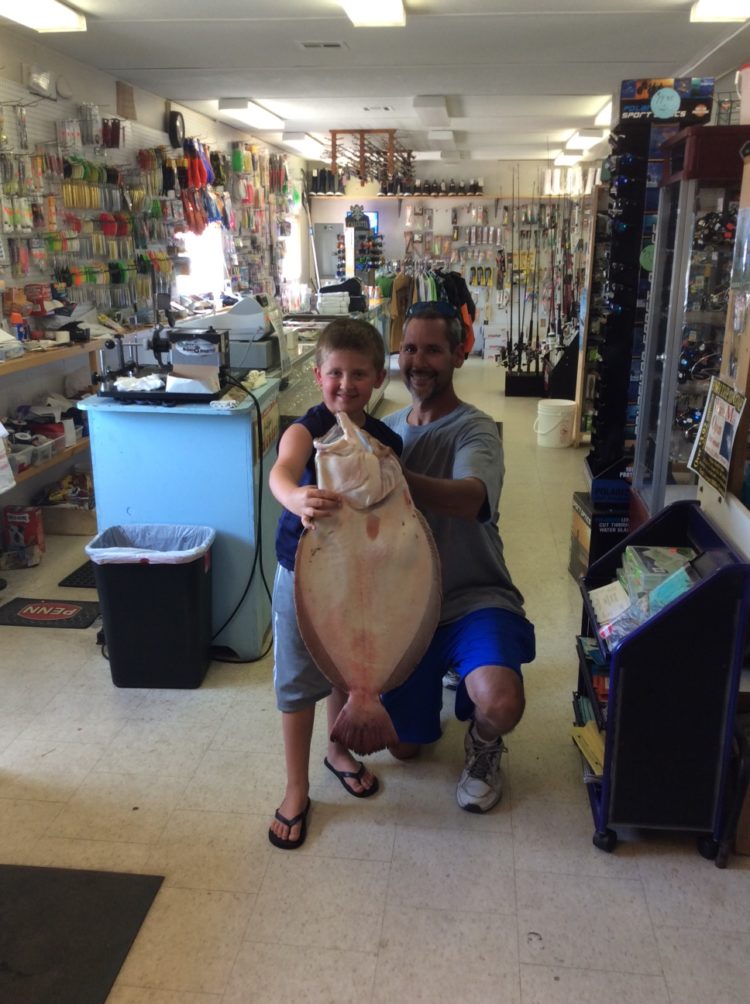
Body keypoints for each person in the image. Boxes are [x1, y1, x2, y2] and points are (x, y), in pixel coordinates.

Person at [381, 301, 535, 813]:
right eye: (408, 348)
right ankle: (442, 682)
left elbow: (471, 499)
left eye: (432, 349)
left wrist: (389, 478)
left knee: (500, 702)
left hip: (474, 596)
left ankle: (485, 742)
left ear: (458, 355)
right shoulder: (386, 431)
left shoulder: (477, 430)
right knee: (404, 749)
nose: (417, 361)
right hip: (408, 608)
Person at [268, 317, 403, 849]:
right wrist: (296, 499)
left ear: (377, 378)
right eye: (335, 373)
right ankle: (296, 787)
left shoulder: (388, 440)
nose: (346, 385)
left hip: (362, 578)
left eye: (359, 374)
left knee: (348, 669)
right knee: (299, 679)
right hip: (299, 575)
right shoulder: (304, 430)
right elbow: (283, 471)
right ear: (319, 374)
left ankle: (337, 749)